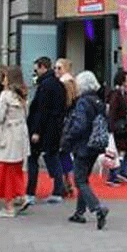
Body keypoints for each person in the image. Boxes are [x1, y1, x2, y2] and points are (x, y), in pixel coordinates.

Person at [61, 71, 109, 230]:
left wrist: (68, 139)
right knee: (83, 179)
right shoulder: (98, 101)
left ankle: (97, 208)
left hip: (83, 145)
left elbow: (79, 125)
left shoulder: (83, 102)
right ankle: (79, 212)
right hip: (95, 145)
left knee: (79, 180)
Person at [0, 67, 31, 218]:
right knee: (16, 169)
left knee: (4, 170)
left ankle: (9, 206)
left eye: (5, 77)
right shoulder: (23, 95)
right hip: (20, 135)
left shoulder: (5, 95)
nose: (3, 80)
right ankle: (21, 196)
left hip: (7, 135)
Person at [25, 56, 67, 205]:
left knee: (33, 159)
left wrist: (36, 130)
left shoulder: (45, 85)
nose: (35, 72)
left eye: (36, 68)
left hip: (43, 129)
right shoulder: (59, 85)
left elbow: (41, 110)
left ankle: (30, 192)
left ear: (43, 67)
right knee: (54, 157)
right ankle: (58, 190)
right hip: (55, 128)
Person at [107, 68, 127, 185]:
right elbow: (113, 111)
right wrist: (112, 127)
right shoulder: (117, 94)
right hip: (119, 127)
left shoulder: (122, 93)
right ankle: (114, 174)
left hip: (122, 127)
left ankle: (120, 172)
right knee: (116, 151)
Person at [55, 58, 77, 197]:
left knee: (62, 153)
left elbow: (66, 104)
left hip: (64, 124)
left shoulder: (66, 83)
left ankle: (66, 182)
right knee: (65, 153)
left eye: (59, 68)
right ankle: (68, 181)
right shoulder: (72, 82)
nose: (56, 71)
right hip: (69, 123)